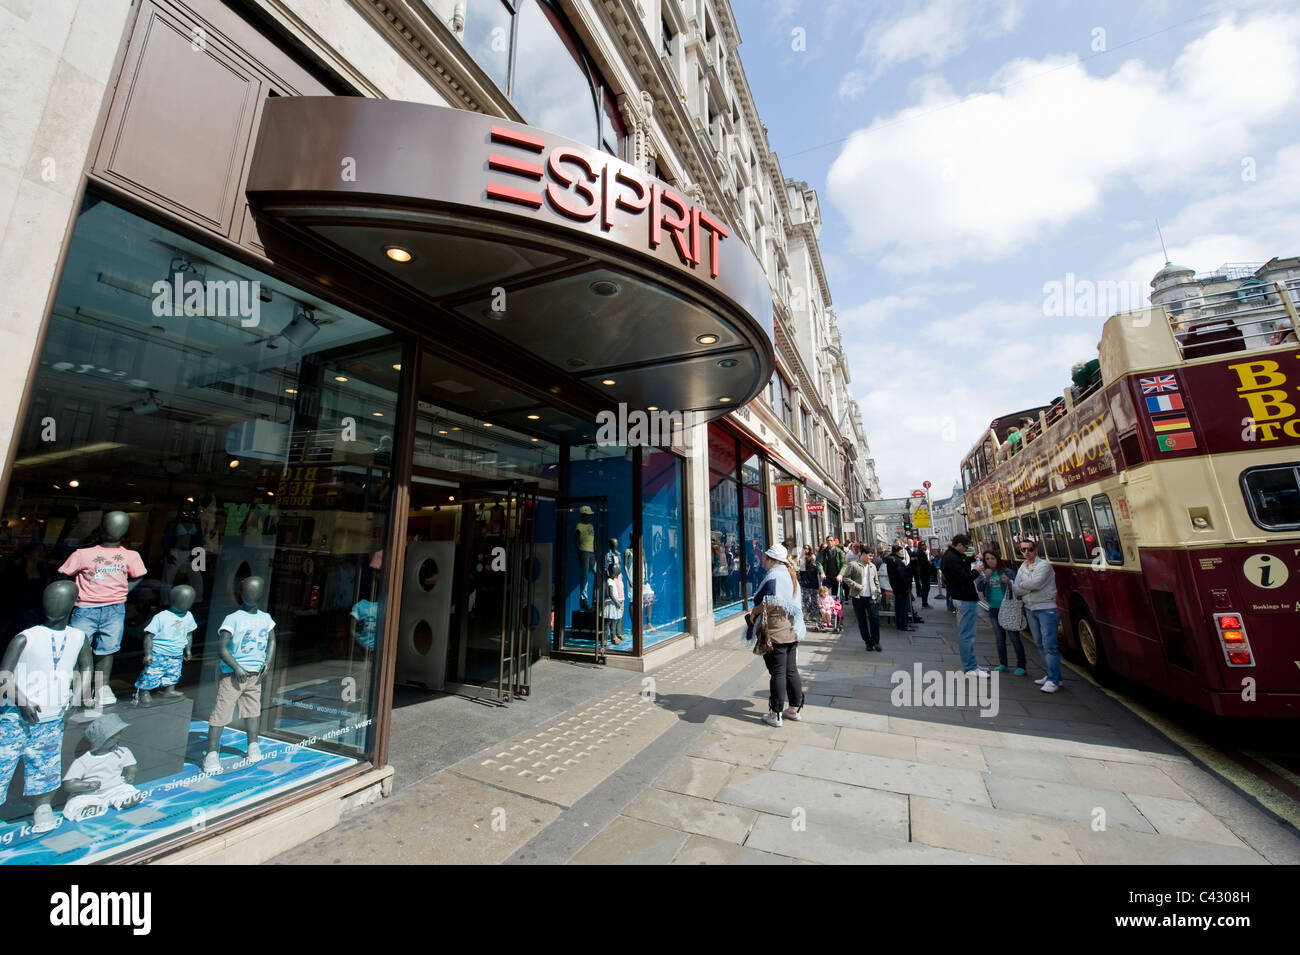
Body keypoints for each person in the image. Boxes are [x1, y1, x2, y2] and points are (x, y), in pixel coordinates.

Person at [748, 544, 806, 727]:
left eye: (766, 558)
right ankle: (794, 709)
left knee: (778, 672)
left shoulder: (775, 576)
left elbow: (771, 602)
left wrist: (754, 613)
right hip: (792, 628)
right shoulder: (790, 574)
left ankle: (776, 714)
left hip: (777, 630)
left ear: (773, 560)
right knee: (791, 670)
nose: (763, 561)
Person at [1014, 539, 1062, 692]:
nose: (1026, 552)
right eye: (1023, 550)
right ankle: (1051, 675)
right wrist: (1025, 586)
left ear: (1036, 550)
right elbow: (1017, 589)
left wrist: (1023, 585)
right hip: (1030, 608)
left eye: (1029, 549)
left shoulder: (1044, 566)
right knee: (1040, 644)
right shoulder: (1022, 566)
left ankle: (1054, 680)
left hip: (1046, 608)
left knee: (1050, 646)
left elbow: (1036, 584)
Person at [941, 534, 988, 676]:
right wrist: (976, 571)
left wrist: (973, 559)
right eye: (965, 547)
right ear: (959, 544)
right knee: (967, 634)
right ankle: (971, 667)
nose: (966, 550)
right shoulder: (952, 558)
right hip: (964, 598)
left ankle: (972, 665)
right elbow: (964, 577)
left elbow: (963, 562)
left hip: (962, 597)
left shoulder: (952, 555)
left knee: (967, 634)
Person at [976, 551, 1026, 675]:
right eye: (987, 559)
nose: (990, 561)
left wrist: (1008, 581)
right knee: (999, 638)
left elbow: (1017, 588)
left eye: (992, 558)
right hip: (993, 608)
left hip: (1008, 608)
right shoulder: (987, 574)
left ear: (997, 559)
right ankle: (1003, 664)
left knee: (1014, 637)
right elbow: (980, 588)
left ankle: (1021, 666)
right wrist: (985, 578)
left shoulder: (1008, 572)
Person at [839, 546, 882, 651]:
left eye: (872, 556)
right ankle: (868, 642)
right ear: (863, 554)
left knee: (874, 619)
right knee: (862, 621)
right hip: (858, 597)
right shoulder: (853, 565)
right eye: (869, 556)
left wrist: (878, 593)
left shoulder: (872, 566)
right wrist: (856, 586)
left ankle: (876, 641)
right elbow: (845, 577)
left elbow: (876, 581)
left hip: (871, 597)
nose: (871, 558)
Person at [884, 545, 915, 631]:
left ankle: (900, 623)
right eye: (901, 551)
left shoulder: (893, 560)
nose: (902, 553)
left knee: (899, 606)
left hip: (896, 586)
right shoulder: (897, 561)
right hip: (901, 587)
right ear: (897, 552)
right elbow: (902, 576)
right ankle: (903, 624)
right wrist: (907, 586)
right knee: (902, 607)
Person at [912, 542, 933, 609]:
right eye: (922, 545)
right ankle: (925, 603)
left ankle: (925, 603)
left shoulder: (922, 552)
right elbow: (924, 563)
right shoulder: (921, 553)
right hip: (924, 572)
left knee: (926, 587)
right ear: (920, 546)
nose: (924, 546)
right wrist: (930, 562)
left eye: (924, 545)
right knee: (925, 588)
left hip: (924, 572)